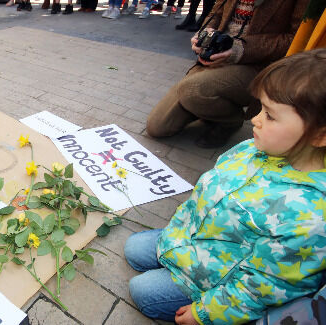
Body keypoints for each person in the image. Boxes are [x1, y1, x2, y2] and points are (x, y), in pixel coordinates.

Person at [125, 48, 326, 325]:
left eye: (270, 115)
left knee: (142, 292)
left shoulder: (311, 219)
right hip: (191, 243)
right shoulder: (254, 148)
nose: (254, 119)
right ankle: (171, 255)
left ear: (319, 134)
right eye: (260, 109)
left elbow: (262, 287)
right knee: (133, 248)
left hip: (214, 281)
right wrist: (177, 233)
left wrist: (205, 314)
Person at [146, 0, 309, 148]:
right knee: (158, 126)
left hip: (255, 66)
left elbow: (296, 39)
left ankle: (230, 121)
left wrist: (239, 49)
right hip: (216, 58)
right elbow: (215, 14)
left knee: (193, 89)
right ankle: (209, 106)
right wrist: (204, 35)